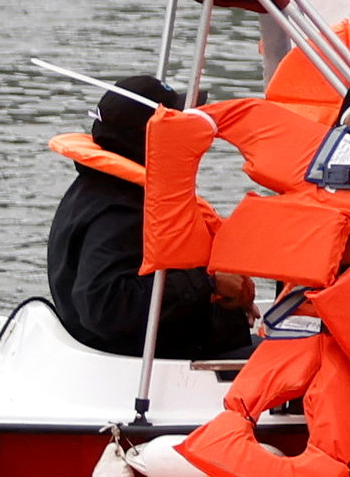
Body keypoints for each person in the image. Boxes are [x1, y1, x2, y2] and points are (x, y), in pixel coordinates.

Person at [45, 78, 257, 363]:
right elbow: (103, 307)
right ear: (150, 136)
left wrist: (219, 298)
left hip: (167, 348)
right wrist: (209, 284)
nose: (189, 129)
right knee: (309, 360)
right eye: (177, 122)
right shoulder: (121, 211)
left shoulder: (103, 189)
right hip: (141, 366)